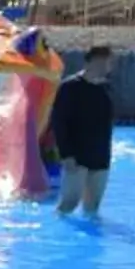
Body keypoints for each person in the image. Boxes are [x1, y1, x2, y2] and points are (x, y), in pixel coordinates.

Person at [48, 44, 117, 215]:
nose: (105, 67)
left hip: (100, 157)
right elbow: (58, 122)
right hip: (76, 156)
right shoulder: (69, 87)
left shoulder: (106, 88)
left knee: (92, 207)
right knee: (69, 204)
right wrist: (66, 155)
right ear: (88, 63)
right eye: (100, 63)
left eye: (107, 63)